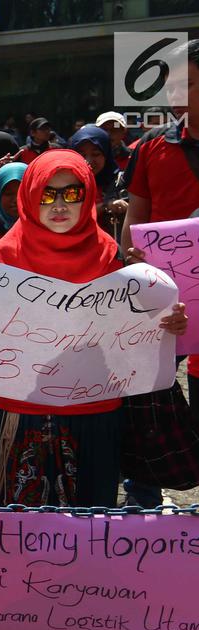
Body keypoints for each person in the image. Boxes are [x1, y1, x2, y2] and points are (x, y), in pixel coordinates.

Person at [0, 149, 187, 630]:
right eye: (48, 194)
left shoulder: (114, 260)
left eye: (72, 193)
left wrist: (169, 323)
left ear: (89, 196)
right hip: (20, 418)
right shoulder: (0, 261)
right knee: (15, 534)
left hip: (94, 420)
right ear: (30, 197)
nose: (59, 205)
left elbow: (144, 332)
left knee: (83, 532)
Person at [120, 39, 199, 509]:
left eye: (186, 83)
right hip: (164, 300)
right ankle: (143, 495)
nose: (174, 95)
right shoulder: (150, 147)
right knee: (146, 396)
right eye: (170, 86)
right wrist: (131, 263)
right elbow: (136, 215)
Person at [69, 124, 127, 235]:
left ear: (107, 155)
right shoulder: (64, 184)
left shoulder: (121, 183)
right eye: (82, 155)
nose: (88, 161)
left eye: (96, 154)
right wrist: (105, 206)